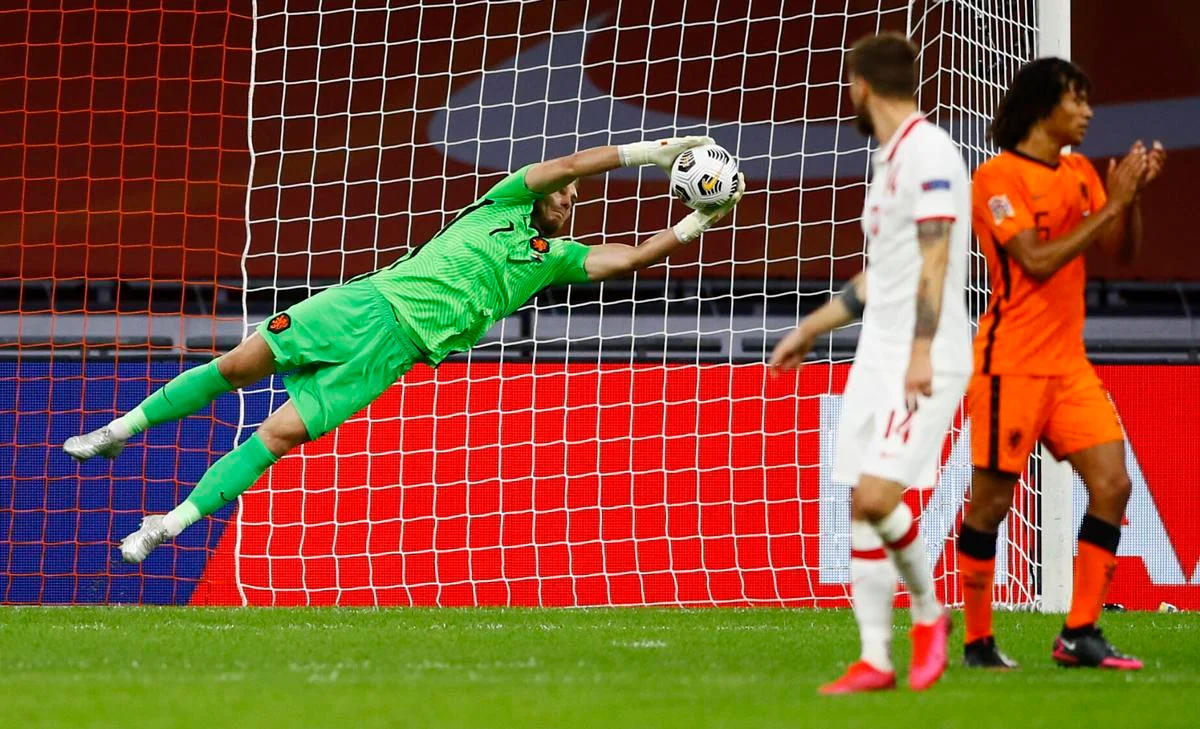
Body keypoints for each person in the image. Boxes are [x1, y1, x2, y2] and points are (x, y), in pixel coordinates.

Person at [65, 138, 745, 564]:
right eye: (564, 190)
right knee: (236, 366)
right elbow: (567, 164)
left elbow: (629, 258)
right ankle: (119, 430)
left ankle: (167, 524)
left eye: (573, 197)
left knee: (277, 435)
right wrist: (653, 152)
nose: (569, 195)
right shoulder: (501, 203)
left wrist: (695, 221)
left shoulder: (553, 259)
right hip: (365, 303)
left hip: (394, 353)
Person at [770, 32, 971, 694]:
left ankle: (930, 614)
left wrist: (920, 351)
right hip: (876, 351)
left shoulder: (930, 152)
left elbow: (936, 257)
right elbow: (879, 277)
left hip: (925, 352)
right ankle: (876, 658)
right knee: (861, 504)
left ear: (860, 85)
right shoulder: (888, 160)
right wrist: (808, 329)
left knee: (881, 496)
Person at [956, 57, 1165, 670]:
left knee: (1113, 484)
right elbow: (1036, 261)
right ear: (1043, 106)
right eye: (1077, 99)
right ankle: (977, 641)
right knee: (991, 505)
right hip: (1010, 364)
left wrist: (1130, 200)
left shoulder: (1078, 173)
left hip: (1068, 365)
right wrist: (1111, 205)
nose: (1088, 112)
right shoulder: (995, 178)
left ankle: (1079, 633)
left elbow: (1120, 252)